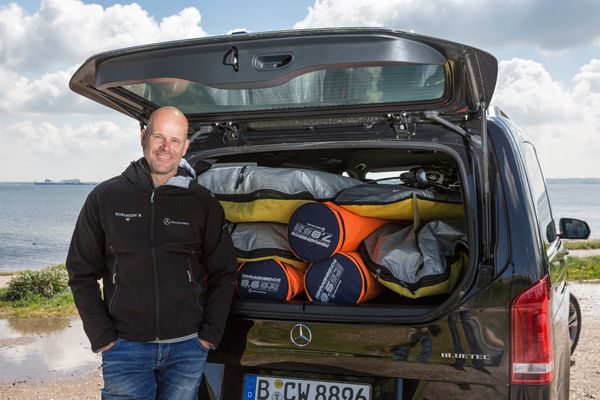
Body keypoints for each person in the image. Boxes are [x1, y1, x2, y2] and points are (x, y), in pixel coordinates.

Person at [66, 106, 237, 399]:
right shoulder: (106, 197)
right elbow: (80, 272)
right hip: (125, 347)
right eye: (159, 136)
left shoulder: (202, 203)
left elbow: (224, 272)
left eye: (175, 140)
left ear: (186, 146)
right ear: (143, 136)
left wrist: (209, 335)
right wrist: (103, 337)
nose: (165, 148)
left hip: (187, 347)